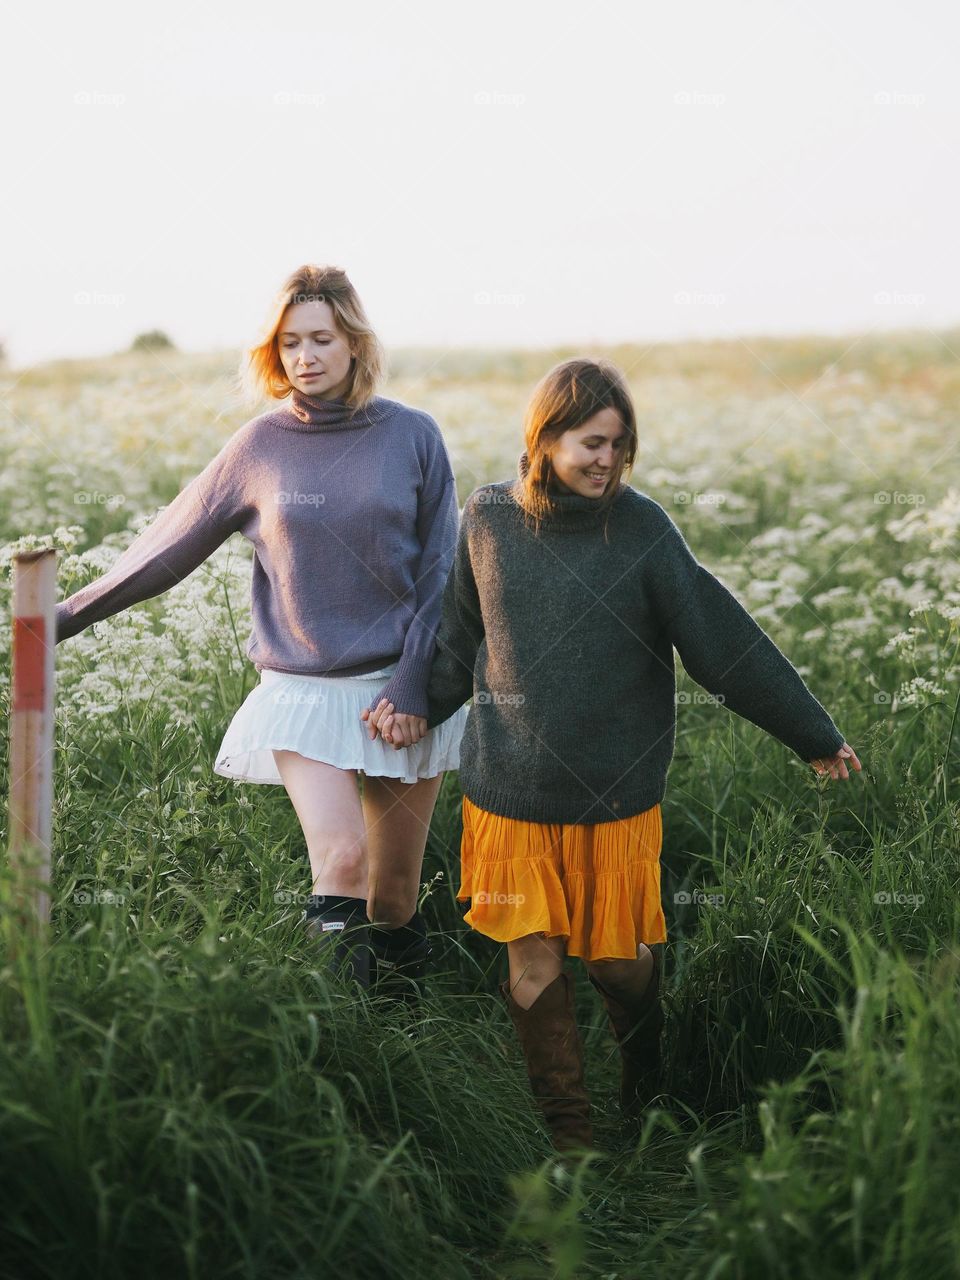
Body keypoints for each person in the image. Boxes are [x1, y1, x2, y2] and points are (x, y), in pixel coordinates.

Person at [364, 357, 861, 1153]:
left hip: (614, 800)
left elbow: (719, 640)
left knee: (622, 968)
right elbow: (457, 639)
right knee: (534, 969)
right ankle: (573, 1144)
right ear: (546, 437)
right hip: (508, 797)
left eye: (621, 446)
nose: (609, 461)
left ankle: (646, 1082)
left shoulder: (641, 529)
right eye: (594, 443)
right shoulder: (489, 521)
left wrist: (812, 731)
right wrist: (411, 703)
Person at [55, 263, 468, 1001]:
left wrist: (414, 683)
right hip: (303, 694)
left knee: (395, 895)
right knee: (342, 862)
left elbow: (442, 570)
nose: (303, 356)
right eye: (287, 343)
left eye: (320, 339)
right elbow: (167, 548)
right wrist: (63, 618)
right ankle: (339, 1043)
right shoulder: (260, 446)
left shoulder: (412, 435)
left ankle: (407, 1052)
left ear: (354, 343)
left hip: (404, 692)